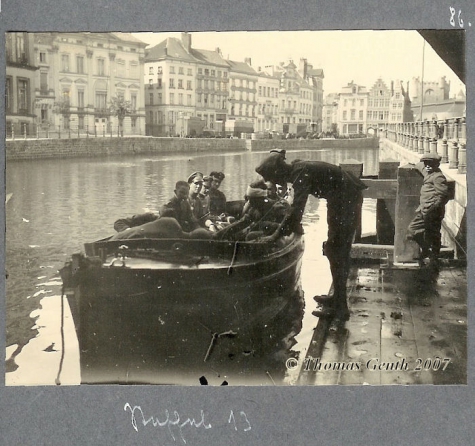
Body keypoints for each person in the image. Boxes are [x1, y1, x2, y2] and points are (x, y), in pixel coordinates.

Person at [255, 152, 367, 323]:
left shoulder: (300, 173)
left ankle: (341, 309)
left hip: (346, 200)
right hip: (339, 200)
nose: (276, 183)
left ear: (278, 171)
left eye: (274, 178)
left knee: (337, 252)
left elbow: (297, 210)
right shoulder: (299, 168)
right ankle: (337, 298)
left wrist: (274, 236)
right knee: (332, 249)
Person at [406, 153, 449, 266]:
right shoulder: (427, 171)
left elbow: (443, 196)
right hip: (423, 210)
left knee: (433, 234)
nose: (427, 166)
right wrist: (413, 163)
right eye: (426, 164)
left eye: (431, 164)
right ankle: (427, 250)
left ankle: (434, 256)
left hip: (433, 212)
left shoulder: (438, 177)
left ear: (437, 164)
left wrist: (433, 209)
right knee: (411, 230)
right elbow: (419, 165)